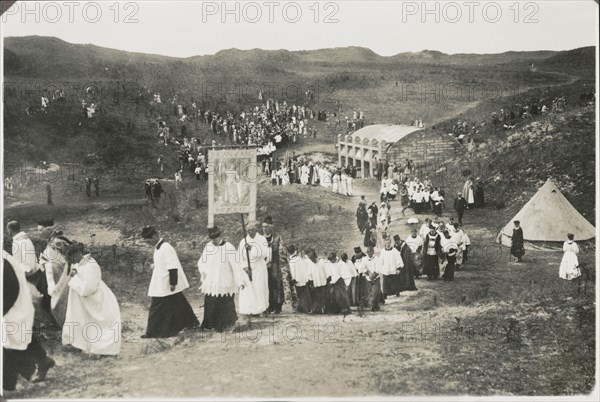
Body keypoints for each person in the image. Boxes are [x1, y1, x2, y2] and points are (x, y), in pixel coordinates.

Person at [3, 252, 55, 391]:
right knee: (18, 338)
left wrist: (3, 309)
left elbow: (10, 288)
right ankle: (43, 360)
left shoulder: (4, 262)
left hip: (12, 305)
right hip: (14, 307)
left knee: (11, 344)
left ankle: (7, 385)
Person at [62, 243, 122, 355]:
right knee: (79, 321)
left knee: (100, 324)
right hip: (83, 301)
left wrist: (75, 279)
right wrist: (75, 272)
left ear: (77, 254)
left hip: (95, 299)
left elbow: (89, 289)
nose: (70, 260)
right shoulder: (81, 263)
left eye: (70, 257)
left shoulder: (91, 266)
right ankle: (78, 344)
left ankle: (103, 350)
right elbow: (78, 270)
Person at [141, 226, 199, 338]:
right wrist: (153, 266)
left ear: (155, 236)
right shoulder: (158, 248)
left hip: (167, 283)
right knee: (179, 303)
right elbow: (162, 263)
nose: (148, 244)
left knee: (156, 306)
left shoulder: (166, 247)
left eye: (149, 241)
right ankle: (192, 323)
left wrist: (173, 283)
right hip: (161, 280)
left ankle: (152, 332)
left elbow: (172, 267)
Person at [198, 226, 247, 332]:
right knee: (211, 302)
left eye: (216, 237)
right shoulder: (208, 246)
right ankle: (210, 324)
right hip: (211, 280)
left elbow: (236, 265)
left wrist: (240, 281)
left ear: (220, 235)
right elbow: (202, 261)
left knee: (225, 302)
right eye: (212, 238)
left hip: (225, 280)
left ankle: (227, 324)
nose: (214, 240)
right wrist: (203, 272)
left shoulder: (228, 247)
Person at [238, 221, 270, 316]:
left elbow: (264, 253)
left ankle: (262, 308)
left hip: (259, 267)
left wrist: (252, 248)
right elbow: (239, 257)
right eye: (248, 230)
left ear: (256, 230)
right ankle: (251, 310)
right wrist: (245, 268)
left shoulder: (262, 239)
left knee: (260, 288)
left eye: (252, 230)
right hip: (248, 268)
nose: (250, 232)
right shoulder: (243, 241)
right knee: (249, 289)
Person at [262, 216, 290, 314]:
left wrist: (282, 265)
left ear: (271, 227)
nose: (264, 229)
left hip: (276, 265)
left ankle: (278, 306)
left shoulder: (277, 238)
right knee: (266, 285)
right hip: (263, 266)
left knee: (276, 285)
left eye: (266, 227)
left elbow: (282, 252)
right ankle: (268, 306)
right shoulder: (260, 238)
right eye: (263, 227)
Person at [288, 245, 312, 313]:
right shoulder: (299, 258)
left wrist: (293, 279)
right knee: (305, 293)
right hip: (303, 278)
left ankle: (303, 308)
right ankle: (307, 308)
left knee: (300, 294)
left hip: (297, 279)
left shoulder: (292, 260)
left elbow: (293, 271)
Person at [305, 248, 327, 314]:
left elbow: (326, 271)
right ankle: (316, 308)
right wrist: (311, 282)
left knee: (322, 295)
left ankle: (322, 308)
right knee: (316, 295)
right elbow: (309, 273)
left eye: (312, 258)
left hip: (323, 282)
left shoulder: (322, 261)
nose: (311, 260)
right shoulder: (310, 263)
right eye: (310, 258)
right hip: (315, 282)